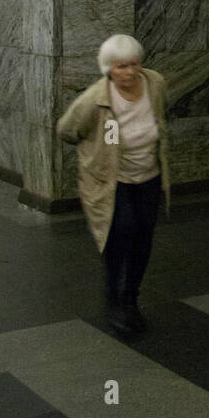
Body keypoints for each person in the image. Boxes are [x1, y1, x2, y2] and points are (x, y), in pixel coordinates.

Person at [57, 35, 171, 336]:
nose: (130, 73)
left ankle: (131, 299)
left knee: (143, 240)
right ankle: (113, 299)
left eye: (135, 64)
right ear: (108, 68)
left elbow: (160, 114)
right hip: (111, 182)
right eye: (121, 67)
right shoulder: (94, 99)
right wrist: (94, 154)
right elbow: (67, 130)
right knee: (120, 234)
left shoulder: (155, 83)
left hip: (148, 177)